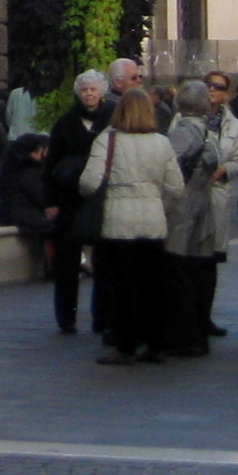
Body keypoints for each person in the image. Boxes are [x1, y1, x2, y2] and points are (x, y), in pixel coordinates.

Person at [79, 86, 182, 364]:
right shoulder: (161, 142)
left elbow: (88, 182)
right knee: (152, 286)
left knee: (121, 286)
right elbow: (176, 187)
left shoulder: (108, 140)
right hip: (153, 221)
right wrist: (160, 205)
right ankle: (155, 344)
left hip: (117, 221)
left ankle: (124, 345)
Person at [162, 79, 238, 355]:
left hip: (182, 208)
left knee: (180, 272)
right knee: (195, 272)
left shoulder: (182, 133)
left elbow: (169, 166)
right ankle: (196, 334)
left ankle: (184, 336)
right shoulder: (208, 132)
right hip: (202, 205)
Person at [44, 69, 115, 336]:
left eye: (93, 89)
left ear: (102, 92)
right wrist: (50, 201)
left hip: (101, 197)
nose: (88, 94)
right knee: (66, 262)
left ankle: (102, 317)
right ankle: (67, 317)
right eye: (84, 90)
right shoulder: (65, 123)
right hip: (69, 198)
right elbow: (50, 165)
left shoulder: (112, 118)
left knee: (105, 260)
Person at [0, 134, 57, 274]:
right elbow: (42, 197)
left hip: (11, 214)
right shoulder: (29, 172)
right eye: (38, 151)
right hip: (23, 215)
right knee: (59, 225)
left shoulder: (11, 167)